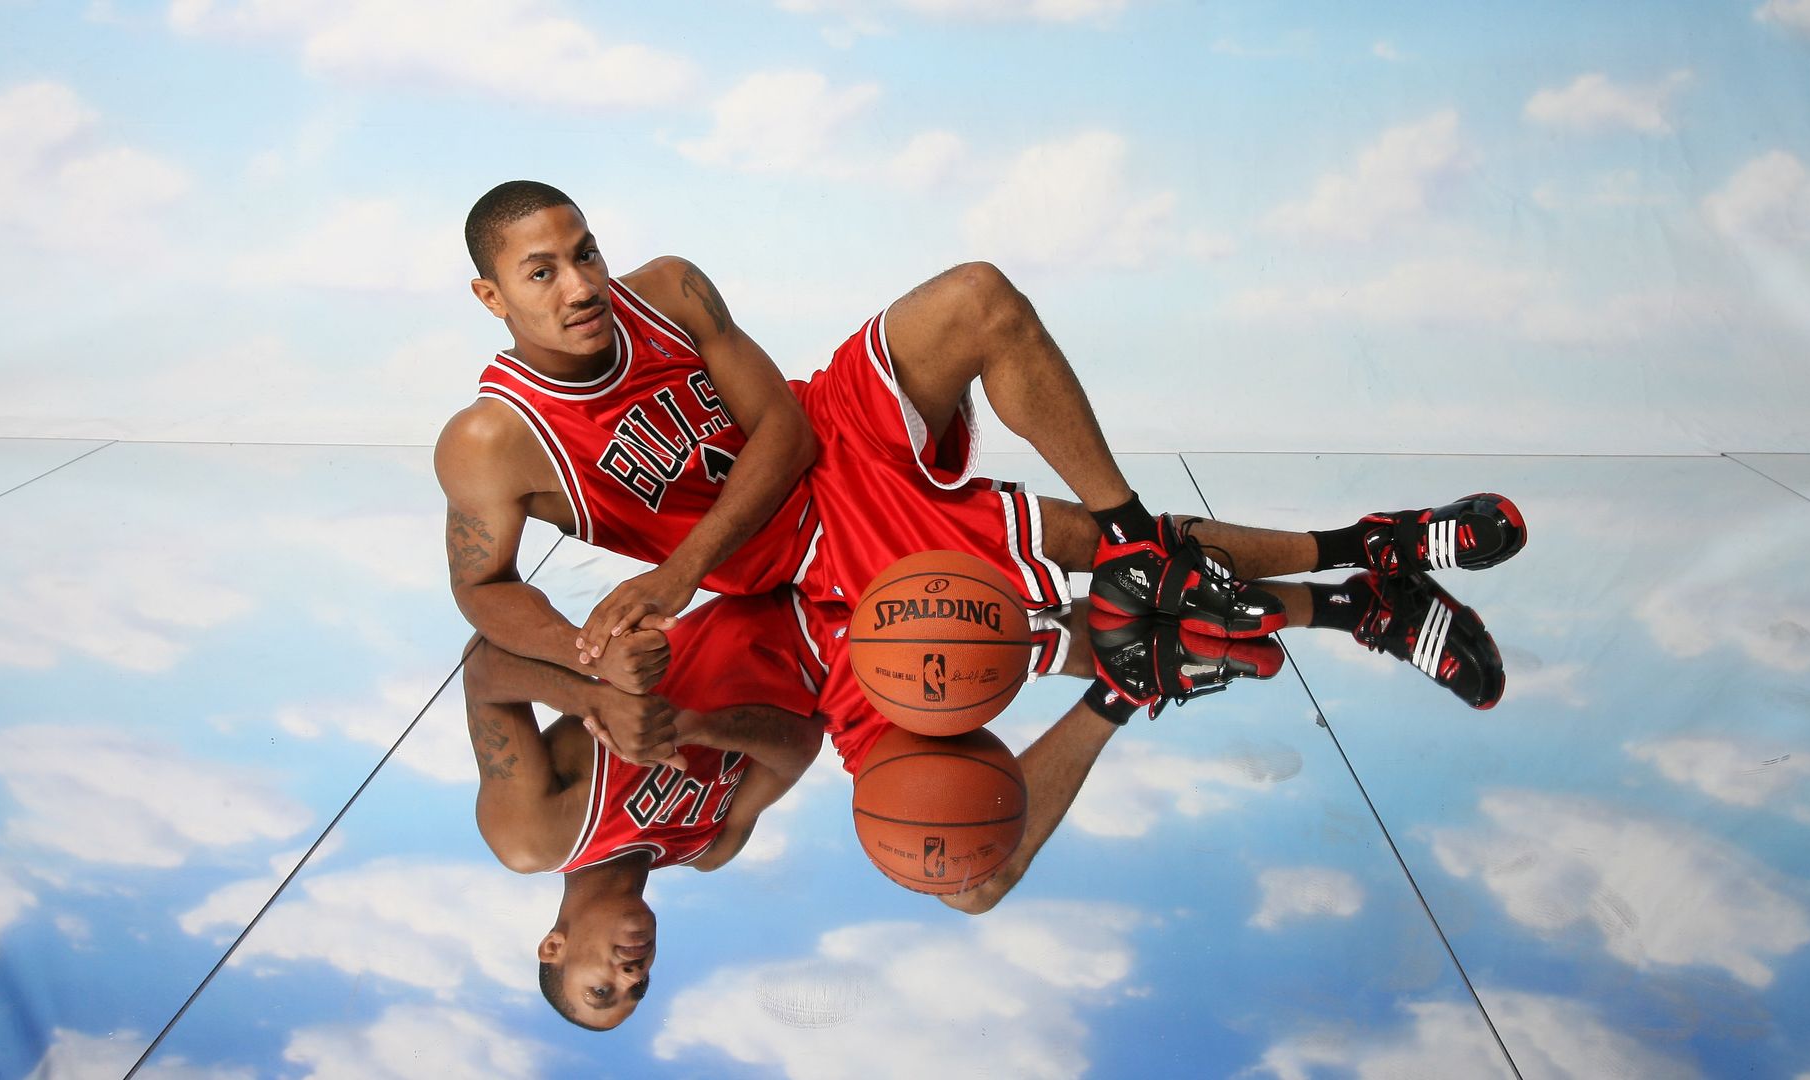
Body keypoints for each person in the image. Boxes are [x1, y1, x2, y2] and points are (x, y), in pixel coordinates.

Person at [435, 179, 1528, 719]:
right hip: (809, 552)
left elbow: (789, 427)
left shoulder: (667, 290)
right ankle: (1361, 571)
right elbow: (481, 588)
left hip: (826, 438)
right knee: (1071, 575)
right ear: (491, 295)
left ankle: (1141, 529)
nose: (581, 285)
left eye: (584, 252)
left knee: (979, 298)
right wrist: (582, 653)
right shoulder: (490, 442)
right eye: (542, 272)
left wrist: (673, 576)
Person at [460, 589, 823, 1031]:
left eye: (601, 991)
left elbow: (482, 663)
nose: (632, 975)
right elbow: (803, 744)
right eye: (640, 988)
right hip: (843, 660)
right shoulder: (709, 848)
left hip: (782, 585)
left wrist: (598, 701)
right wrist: (703, 728)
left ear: (555, 947)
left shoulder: (532, 837)